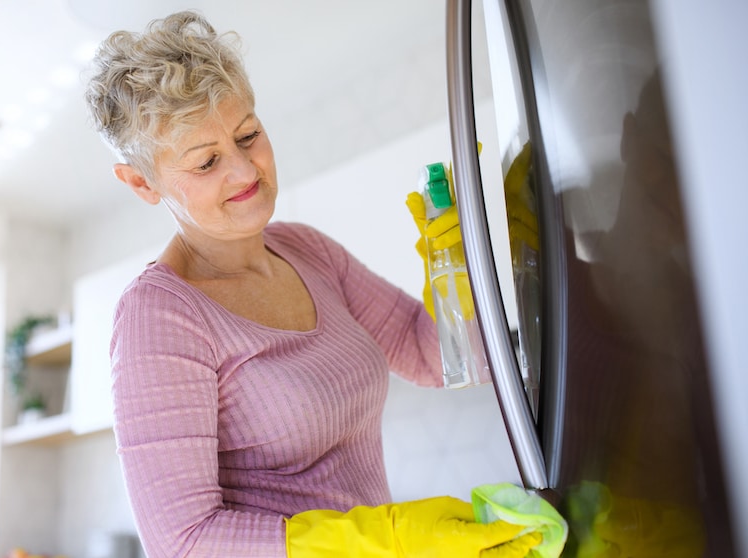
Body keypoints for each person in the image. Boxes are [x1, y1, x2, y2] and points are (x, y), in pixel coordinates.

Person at [84, 10, 545, 558]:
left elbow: (432, 359)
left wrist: (454, 268)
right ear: (141, 182)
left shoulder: (307, 250)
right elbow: (183, 544)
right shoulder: (158, 317)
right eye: (206, 162)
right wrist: (383, 538)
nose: (244, 171)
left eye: (248, 134)